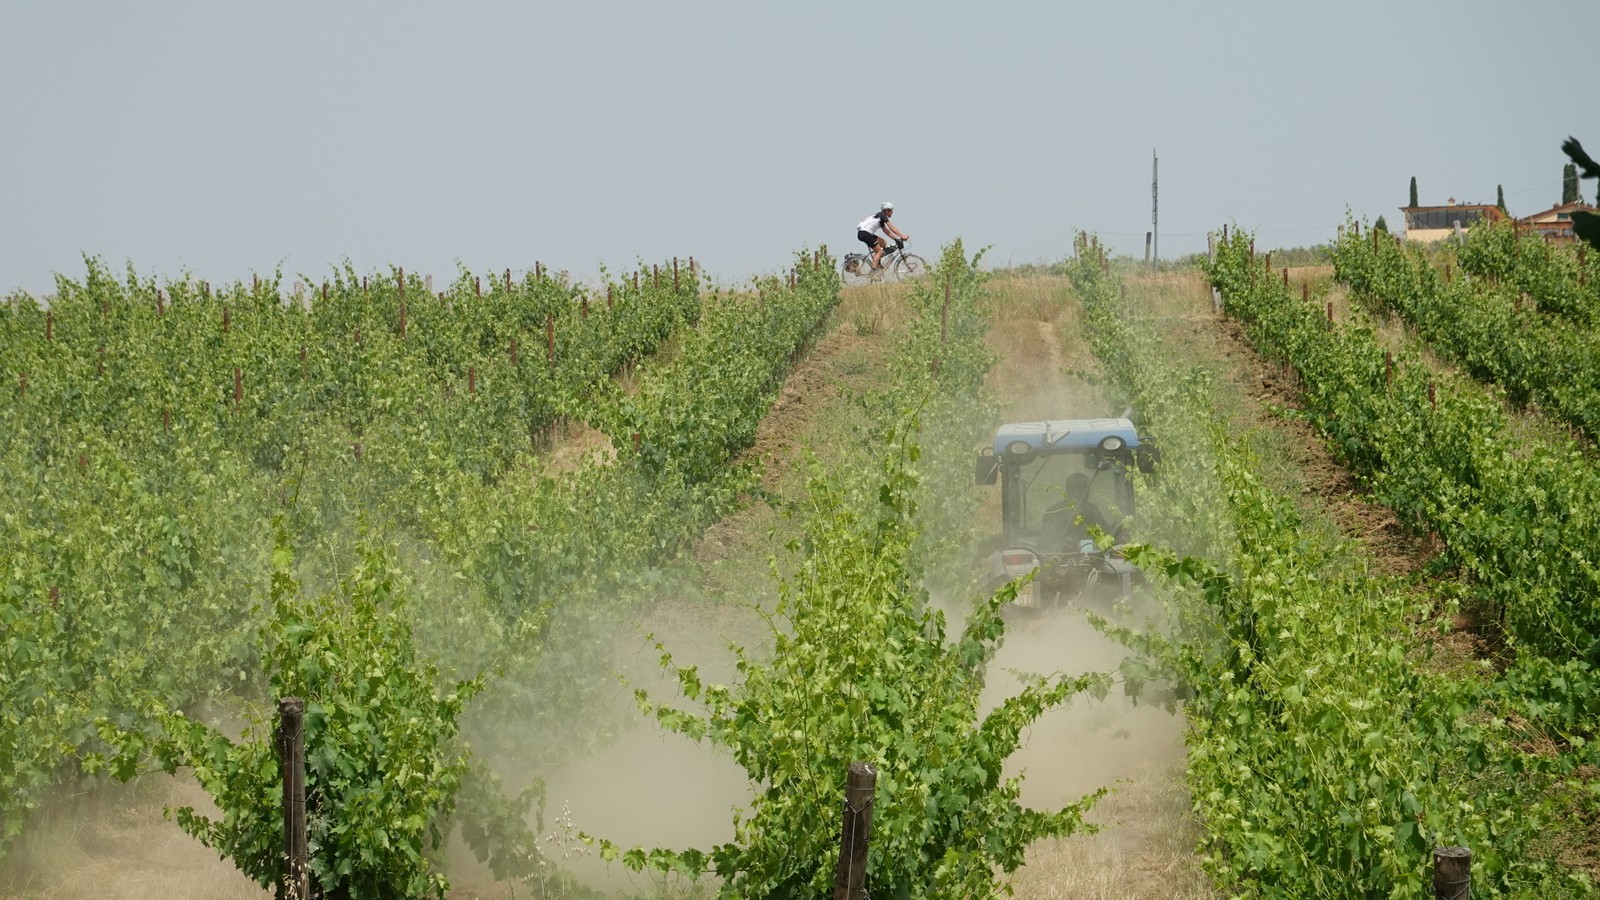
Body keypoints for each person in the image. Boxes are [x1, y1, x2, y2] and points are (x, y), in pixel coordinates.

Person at [856, 202, 910, 271]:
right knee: (879, 252)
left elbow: (886, 231)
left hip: (864, 233)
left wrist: (896, 238)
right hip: (865, 233)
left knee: (883, 243)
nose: (892, 212)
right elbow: (891, 227)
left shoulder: (880, 217)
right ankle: (874, 271)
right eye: (891, 210)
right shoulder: (882, 216)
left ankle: (877, 263)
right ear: (887, 210)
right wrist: (902, 236)